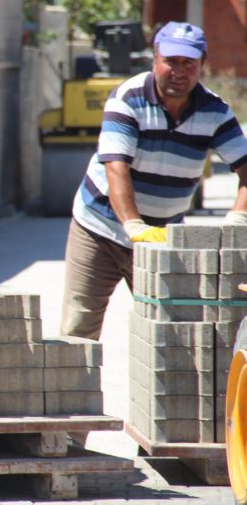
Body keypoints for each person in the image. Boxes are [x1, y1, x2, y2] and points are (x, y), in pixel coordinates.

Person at [61, 21, 247, 340]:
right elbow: (116, 166)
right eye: (171, 61)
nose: (179, 70)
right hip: (99, 229)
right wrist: (133, 225)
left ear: (201, 66)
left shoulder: (214, 111)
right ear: (154, 60)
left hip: (163, 235)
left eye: (188, 63)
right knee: (79, 330)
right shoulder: (128, 99)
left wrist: (238, 215)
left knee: (173, 332)